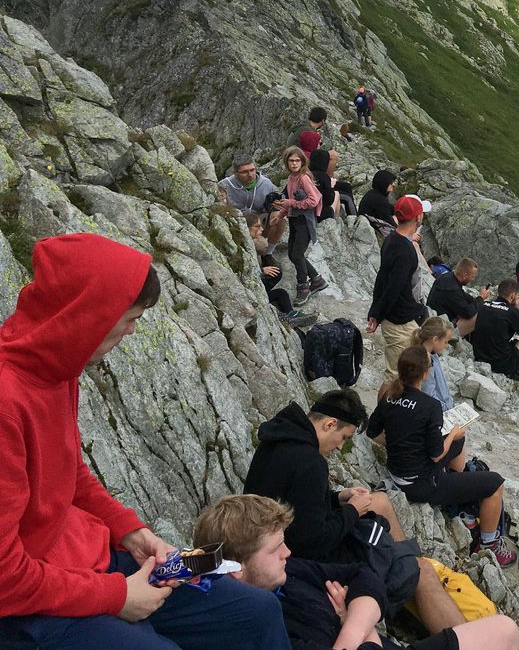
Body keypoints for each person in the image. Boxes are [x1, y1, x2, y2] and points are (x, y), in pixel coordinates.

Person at [0, 233, 289, 649]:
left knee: (256, 612)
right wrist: (118, 596)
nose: (132, 331)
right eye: (130, 318)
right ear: (91, 315)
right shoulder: (8, 401)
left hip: (85, 556)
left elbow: (71, 475)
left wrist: (132, 532)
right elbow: (6, 577)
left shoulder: (57, 368)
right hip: (31, 604)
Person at [194, 495, 519, 650]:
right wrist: (359, 626)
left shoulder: (285, 572)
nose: (288, 552)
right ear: (235, 569)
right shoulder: (259, 624)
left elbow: (362, 576)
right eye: (274, 549)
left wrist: (350, 625)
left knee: (505, 630)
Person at [366, 347, 519, 568]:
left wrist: (404, 442)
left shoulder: (390, 395)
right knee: (495, 482)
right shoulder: (430, 406)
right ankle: (489, 544)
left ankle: (462, 499)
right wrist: (452, 433)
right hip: (421, 485)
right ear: (425, 373)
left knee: (457, 442)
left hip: (397, 473)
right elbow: (437, 455)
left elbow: (372, 431)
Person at [243, 389, 407, 560]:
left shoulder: (280, 436)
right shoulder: (311, 462)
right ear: (330, 424)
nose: (340, 447)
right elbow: (314, 542)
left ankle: (407, 560)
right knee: (415, 568)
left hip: (262, 537)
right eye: (344, 437)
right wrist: (353, 511)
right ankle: (408, 563)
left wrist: (337, 498)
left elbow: (295, 499)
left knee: (380, 500)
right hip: (291, 555)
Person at [367, 195, 431, 387]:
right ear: (418, 217)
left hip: (396, 316)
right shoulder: (405, 249)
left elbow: (382, 277)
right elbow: (394, 287)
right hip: (399, 320)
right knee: (395, 374)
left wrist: (375, 312)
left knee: (401, 372)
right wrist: (378, 314)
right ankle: (382, 415)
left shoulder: (391, 239)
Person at [276, 145, 328, 306]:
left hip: (304, 222)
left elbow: (314, 199)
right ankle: (317, 279)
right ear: (287, 163)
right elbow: (289, 200)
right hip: (295, 220)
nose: (294, 164)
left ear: (302, 162)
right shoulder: (291, 178)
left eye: (297, 160)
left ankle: (303, 286)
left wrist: (291, 203)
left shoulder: (303, 178)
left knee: (297, 254)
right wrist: (282, 214)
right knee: (292, 254)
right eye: (291, 161)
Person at [472, 278, 519, 383]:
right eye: (516, 295)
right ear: (513, 295)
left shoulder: (484, 305)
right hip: (502, 363)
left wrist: (513, 307)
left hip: (480, 355)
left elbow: (499, 313)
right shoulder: (511, 312)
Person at [247, 214, 318, 328]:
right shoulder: (243, 245)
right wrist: (261, 270)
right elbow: (242, 273)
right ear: (247, 228)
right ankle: (283, 318)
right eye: (257, 226)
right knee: (276, 279)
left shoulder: (249, 243)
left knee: (281, 291)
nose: (261, 229)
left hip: (256, 287)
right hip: (249, 293)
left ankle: (291, 315)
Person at [218, 156, 283, 255]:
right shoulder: (224, 185)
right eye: (245, 172)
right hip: (237, 224)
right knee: (259, 247)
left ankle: (268, 254)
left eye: (252, 170)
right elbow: (221, 210)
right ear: (235, 173)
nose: (250, 175)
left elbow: (274, 207)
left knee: (280, 217)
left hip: (258, 223)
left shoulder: (266, 184)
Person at [427, 258, 490, 337]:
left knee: (478, 306)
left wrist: (478, 299)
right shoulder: (452, 290)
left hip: (437, 318)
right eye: (472, 277)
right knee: (479, 314)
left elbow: (462, 295)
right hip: (440, 328)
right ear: (465, 276)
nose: (472, 279)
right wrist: (481, 298)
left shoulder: (447, 277)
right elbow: (468, 313)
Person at [413, 317, 456, 412]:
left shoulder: (432, 354)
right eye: (445, 342)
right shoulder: (425, 362)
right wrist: (445, 408)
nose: (446, 345)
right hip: (438, 411)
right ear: (435, 339)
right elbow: (428, 395)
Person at [309, 149, 356, 219]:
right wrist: (331, 186)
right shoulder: (323, 176)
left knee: (347, 187)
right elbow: (329, 199)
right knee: (347, 198)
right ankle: (354, 218)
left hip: (316, 206)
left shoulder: (308, 173)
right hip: (321, 211)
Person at [361, 169, 398, 236]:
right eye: (391, 183)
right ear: (384, 183)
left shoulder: (372, 194)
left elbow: (391, 209)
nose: (393, 185)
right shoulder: (379, 200)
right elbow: (391, 224)